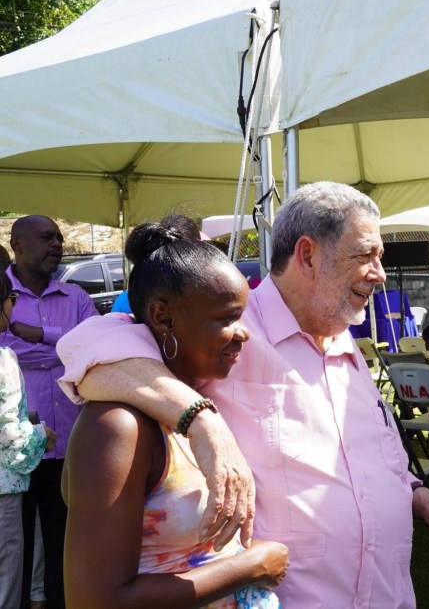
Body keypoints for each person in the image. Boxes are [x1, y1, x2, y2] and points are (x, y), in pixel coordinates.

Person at [56, 182, 429, 607]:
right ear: (308, 255)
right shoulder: (222, 331)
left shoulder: (342, 339)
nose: (379, 274)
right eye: (365, 255)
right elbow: (88, 350)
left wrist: (418, 496)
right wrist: (202, 418)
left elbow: (370, 455)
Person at [62, 218, 288, 608]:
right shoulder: (119, 427)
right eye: (227, 318)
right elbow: (95, 600)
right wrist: (250, 566)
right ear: (164, 317)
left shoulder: (198, 396)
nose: (244, 333)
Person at [1, 215, 97, 609]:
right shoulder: (3, 294)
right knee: (16, 551)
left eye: (58, 237)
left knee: (64, 542)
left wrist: (39, 336)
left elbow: (95, 348)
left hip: (70, 444)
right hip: (17, 454)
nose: (57, 244)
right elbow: (7, 353)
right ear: (17, 245)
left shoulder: (76, 296)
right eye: (46, 238)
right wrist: (65, 350)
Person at [0, 273, 53, 609]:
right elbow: (8, 437)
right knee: (6, 580)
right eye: (11, 298)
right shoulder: (3, 358)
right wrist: (41, 435)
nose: (12, 305)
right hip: (3, 490)